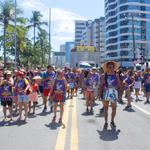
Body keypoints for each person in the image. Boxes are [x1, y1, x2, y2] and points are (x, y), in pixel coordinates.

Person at [99, 61, 120, 129]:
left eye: (112, 66)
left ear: (114, 67)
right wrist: (99, 94)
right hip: (106, 92)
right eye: (109, 66)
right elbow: (101, 85)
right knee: (106, 109)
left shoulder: (116, 75)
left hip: (113, 93)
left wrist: (119, 94)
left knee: (114, 108)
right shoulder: (104, 75)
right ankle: (106, 122)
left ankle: (112, 121)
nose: (110, 67)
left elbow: (119, 84)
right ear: (107, 67)